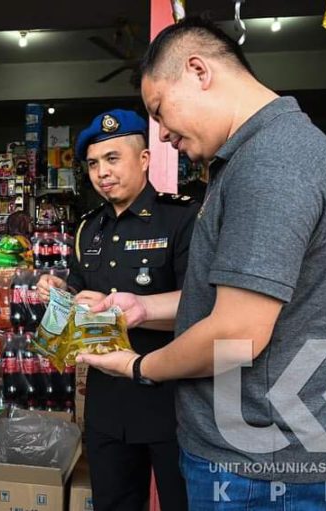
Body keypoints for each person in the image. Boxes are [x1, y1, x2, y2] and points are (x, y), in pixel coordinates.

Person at [77, 17, 326, 510]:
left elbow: (238, 334)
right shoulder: (254, 159)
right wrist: (142, 308)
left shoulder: (272, 164)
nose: (162, 135)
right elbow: (228, 299)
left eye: (160, 112)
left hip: (263, 467)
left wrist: (140, 366)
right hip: (251, 454)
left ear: (198, 71)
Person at [37, 109, 197, 511]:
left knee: (181, 502)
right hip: (107, 397)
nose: (101, 172)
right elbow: (79, 286)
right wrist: (62, 291)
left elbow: (202, 307)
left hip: (168, 393)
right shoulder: (89, 227)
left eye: (112, 159)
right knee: (113, 501)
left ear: (144, 160)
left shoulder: (180, 218)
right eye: (93, 163)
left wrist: (124, 312)